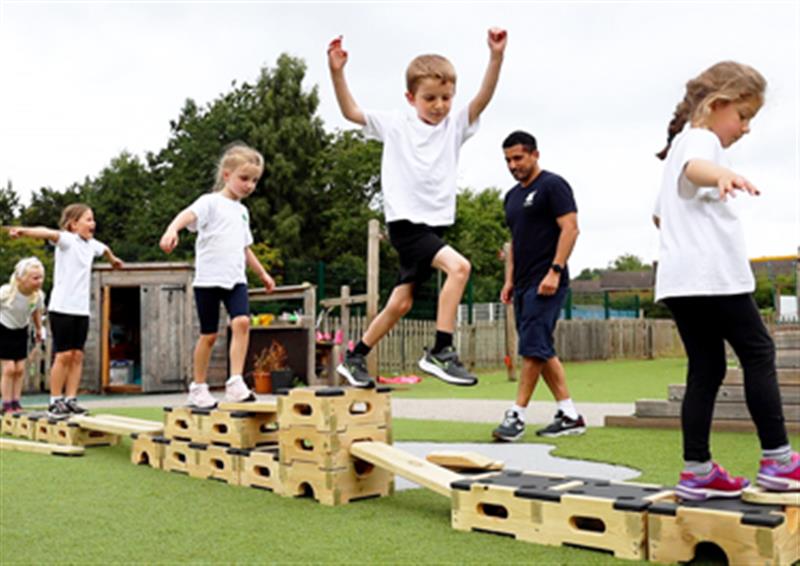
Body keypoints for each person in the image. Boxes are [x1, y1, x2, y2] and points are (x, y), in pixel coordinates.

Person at [327, 28, 507, 388]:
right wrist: (337, 72)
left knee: (401, 303)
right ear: (411, 98)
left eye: (445, 97)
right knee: (460, 268)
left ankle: (355, 356)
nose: (439, 105)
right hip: (407, 224)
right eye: (430, 98)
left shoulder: (455, 126)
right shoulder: (396, 125)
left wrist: (496, 57)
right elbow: (351, 112)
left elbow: (483, 98)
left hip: (433, 226)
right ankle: (441, 350)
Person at [653, 61, 798, 500]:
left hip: (680, 281)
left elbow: (660, 215)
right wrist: (721, 175)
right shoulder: (700, 140)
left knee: (708, 367)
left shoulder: (678, 148)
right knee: (758, 351)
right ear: (717, 105)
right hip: (712, 277)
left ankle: (697, 470)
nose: (746, 128)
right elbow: (699, 168)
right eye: (744, 116)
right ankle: (778, 460)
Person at [160, 143, 275, 409]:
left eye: (254, 181)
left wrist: (263, 274)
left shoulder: (243, 212)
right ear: (226, 175)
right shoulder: (210, 202)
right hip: (209, 280)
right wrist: (171, 230)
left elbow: (245, 248)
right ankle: (198, 387)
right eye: (243, 179)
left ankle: (235, 382)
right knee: (209, 335)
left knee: (242, 322)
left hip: (236, 279)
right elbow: (186, 215)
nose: (249, 185)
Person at [491, 131, 585, 442]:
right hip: (522, 283)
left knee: (532, 345)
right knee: (539, 345)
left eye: (518, 158)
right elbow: (515, 243)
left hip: (547, 281)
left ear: (535, 155)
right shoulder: (512, 197)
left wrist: (555, 271)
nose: (513, 165)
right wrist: (509, 280)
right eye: (508, 160)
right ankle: (570, 414)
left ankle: (516, 415)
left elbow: (570, 229)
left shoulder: (553, 186)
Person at [8, 205, 124, 418]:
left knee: (77, 355)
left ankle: (70, 399)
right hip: (62, 308)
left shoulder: (92, 245)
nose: (93, 223)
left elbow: (105, 249)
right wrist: (23, 231)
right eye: (88, 220)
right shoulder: (67, 240)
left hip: (81, 310)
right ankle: (55, 401)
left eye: (93, 219)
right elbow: (46, 232)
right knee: (63, 355)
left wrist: (113, 260)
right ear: (73, 224)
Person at [0, 257, 45, 414]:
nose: (39, 281)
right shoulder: (6, 292)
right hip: (4, 329)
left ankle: (16, 402)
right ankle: (6, 404)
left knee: (19, 368)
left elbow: (36, 312)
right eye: (35, 278)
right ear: (21, 279)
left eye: (41, 278)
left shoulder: (37, 296)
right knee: (9, 369)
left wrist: (39, 329)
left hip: (21, 330)